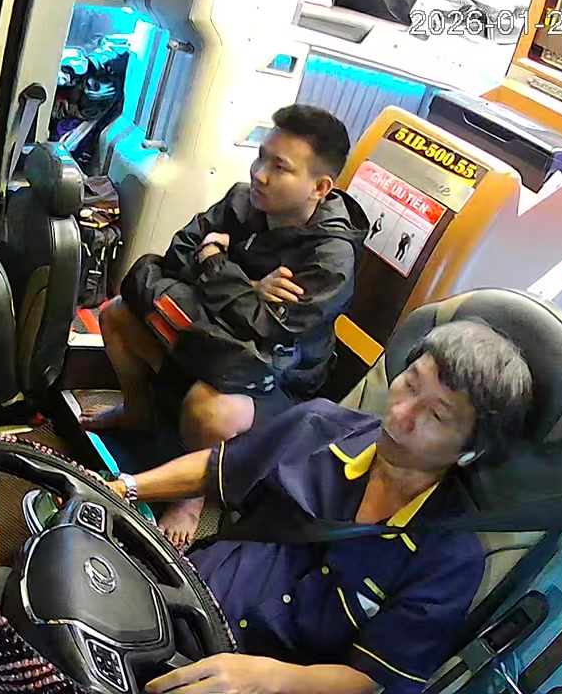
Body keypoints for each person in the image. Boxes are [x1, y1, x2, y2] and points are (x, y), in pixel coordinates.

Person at [103, 320, 534, 694]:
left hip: (262, 681)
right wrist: (124, 488)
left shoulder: (451, 559)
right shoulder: (318, 426)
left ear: (469, 452)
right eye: (410, 382)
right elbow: (220, 468)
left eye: (436, 415)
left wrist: (269, 679)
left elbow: (371, 677)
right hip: (182, 598)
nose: (402, 414)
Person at [84, 104, 369, 545]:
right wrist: (249, 285)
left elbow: (268, 333)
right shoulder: (242, 200)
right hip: (219, 344)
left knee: (208, 407)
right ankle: (137, 411)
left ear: (320, 187)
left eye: (280, 167)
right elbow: (177, 255)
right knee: (118, 314)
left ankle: (192, 496)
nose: (260, 175)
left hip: (278, 381)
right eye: (261, 157)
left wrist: (216, 261)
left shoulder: (330, 260)